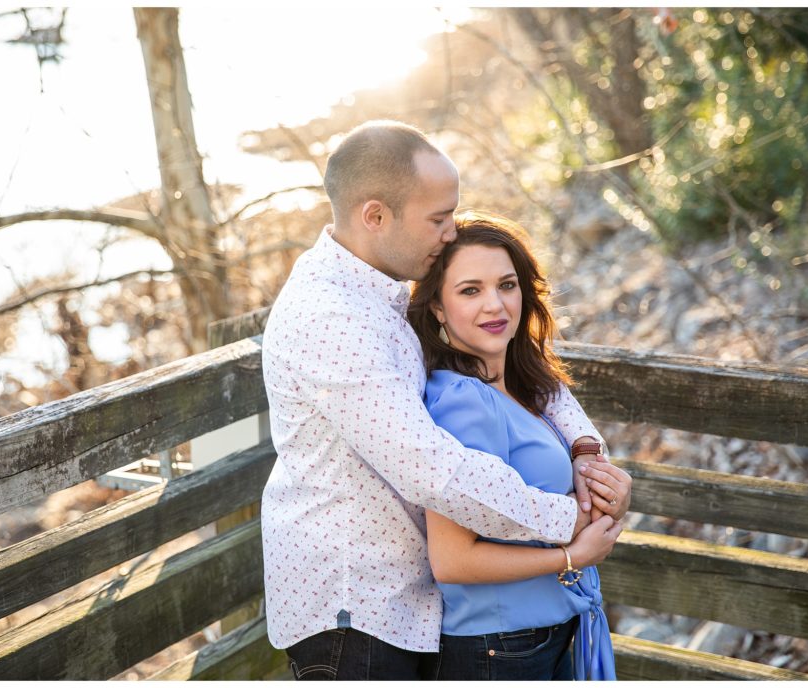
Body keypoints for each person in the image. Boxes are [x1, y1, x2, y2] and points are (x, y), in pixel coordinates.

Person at [260, 120, 630, 680]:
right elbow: (432, 471)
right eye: (438, 219)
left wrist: (585, 450)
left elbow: (526, 372)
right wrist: (570, 520)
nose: (450, 232)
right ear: (375, 216)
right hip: (354, 609)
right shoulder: (330, 319)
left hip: (410, 602)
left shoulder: (386, 284)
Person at [408, 210, 630, 680]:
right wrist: (570, 556)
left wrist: (609, 487)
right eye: (471, 290)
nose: (495, 305)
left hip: (550, 633)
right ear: (438, 309)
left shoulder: (525, 390)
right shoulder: (463, 403)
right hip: (501, 650)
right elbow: (452, 559)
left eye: (506, 285)